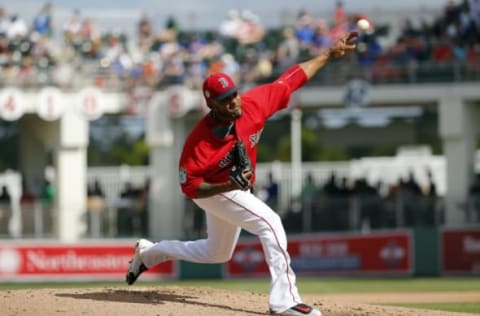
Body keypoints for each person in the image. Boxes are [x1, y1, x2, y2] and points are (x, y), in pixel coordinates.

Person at [126, 31, 358, 316]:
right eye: (225, 99)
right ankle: (284, 301)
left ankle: (149, 253)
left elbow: (291, 79)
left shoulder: (252, 104)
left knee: (217, 253)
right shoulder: (200, 143)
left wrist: (328, 55)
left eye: (233, 94)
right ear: (212, 105)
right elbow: (190, 188)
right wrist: (225, 184)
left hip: (234, 186)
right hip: (211, 189)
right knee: (270, 223)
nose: (234, 101)